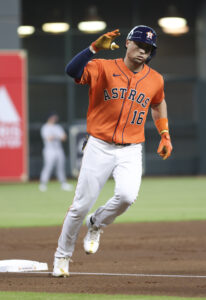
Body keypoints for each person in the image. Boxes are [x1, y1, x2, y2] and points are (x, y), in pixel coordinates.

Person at [52, 25, 173, 277]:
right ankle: (62, 256)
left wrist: (165, 134)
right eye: (139, 45)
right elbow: (71, 71)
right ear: (127, 43)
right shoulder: (102, 67)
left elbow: (158, 103)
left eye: (149, 49)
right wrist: (93, 48)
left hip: (131, 149)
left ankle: (97, 223)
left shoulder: (155, 79)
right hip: (99, 146)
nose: (143, 51)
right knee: (79, 206)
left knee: (127, 196)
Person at [39, 112, 73, 192]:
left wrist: (56, 136)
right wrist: (57, 136)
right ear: (49, 118)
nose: (54, 119)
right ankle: (43, 184)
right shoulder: (45, 127)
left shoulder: (58, 127)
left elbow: (64, 137)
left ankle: (63, 184)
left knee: (60, 167)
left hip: (58, 149)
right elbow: (48, 138)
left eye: (55, 118)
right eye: (53, 117)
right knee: (48, 166)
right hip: (49, 150)